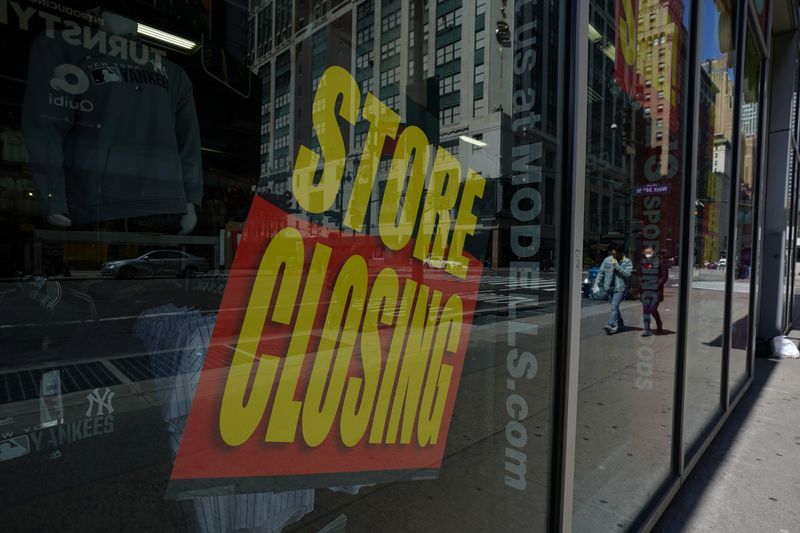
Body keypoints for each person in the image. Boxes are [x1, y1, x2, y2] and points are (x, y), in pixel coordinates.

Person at [595, 244, 632, 335]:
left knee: (614, 306)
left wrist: (617, 266)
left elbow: (628, 274)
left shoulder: (627, 261)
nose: (613, 256)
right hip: (609, 287)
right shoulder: (607, 260)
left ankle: (610, 325)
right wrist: (596, 283)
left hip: (620, 288)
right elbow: (601, 272)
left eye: (615, 254)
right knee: (614, 307)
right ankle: (621, 324)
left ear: (620, 253)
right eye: (612, 254)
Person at [639, 247, 668, 336]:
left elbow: (664, 276)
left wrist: (657, 284)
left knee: (652, 309)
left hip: (656, 290)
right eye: (646, 253)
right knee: (646, 310)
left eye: (649, 253)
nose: (647, 255)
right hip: (645, 290)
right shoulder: (642, 263)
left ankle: (659, 322)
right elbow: (639, 275)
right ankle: (647, 329)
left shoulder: (660, 262)